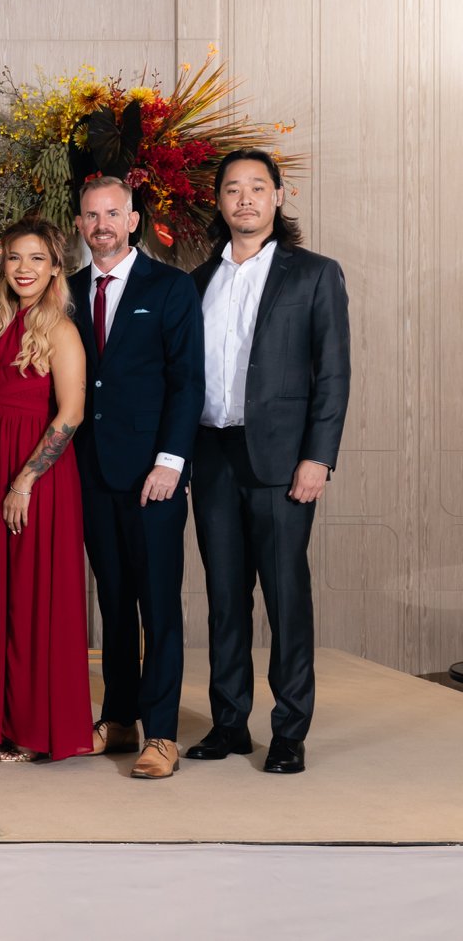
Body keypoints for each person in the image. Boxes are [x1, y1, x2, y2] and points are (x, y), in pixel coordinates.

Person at [184, 149, 350, 776]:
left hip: (283, 459)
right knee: (225, 597)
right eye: (233, 188)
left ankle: (289, 731)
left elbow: (333, 375)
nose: (245, 198)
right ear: (219, 201)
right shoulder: (197, 281)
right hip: (213, 453)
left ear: (279, 197)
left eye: (258, 187)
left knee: (285, 597)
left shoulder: (314, 275)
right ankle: (229, 722)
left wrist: (318, 457)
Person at [69, 176, 206, 779]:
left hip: (154, 474)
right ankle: (120, 717)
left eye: (113, 214)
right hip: (91, 471)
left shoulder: (171, 287)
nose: (101, 225)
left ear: (132, 220)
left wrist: (171, 462)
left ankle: (162, 733)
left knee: (158, 604)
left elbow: (188, 381)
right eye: (91, 215)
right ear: (80, 224)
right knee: (114, 601)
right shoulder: (68, 291)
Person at [0, 218, 94, 763]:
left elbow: (72, 413)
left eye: (37, 258)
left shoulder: (60, 329)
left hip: (38, 478)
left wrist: (25, 481)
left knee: (33, 598)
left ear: (56, 267)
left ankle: (36, 729)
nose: (24, 268)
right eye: (15, 257)